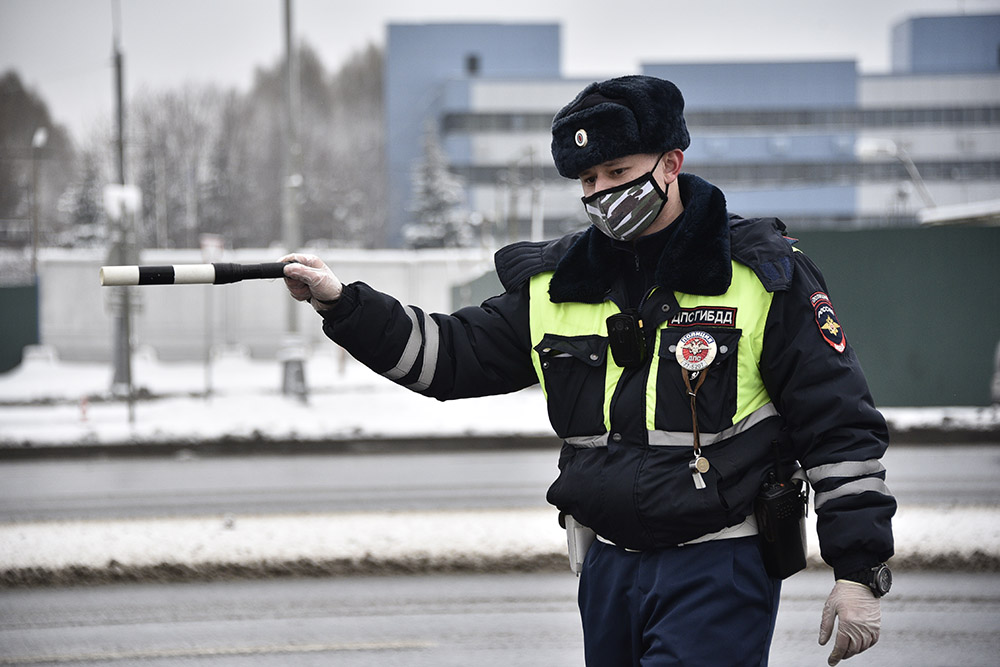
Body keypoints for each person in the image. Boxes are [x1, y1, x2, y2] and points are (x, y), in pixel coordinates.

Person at [282, 75, 896, 666]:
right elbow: (448, 356)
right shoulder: (558, 284)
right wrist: (343, 303)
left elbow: (837, 424)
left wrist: (859, 569)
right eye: (588, 178)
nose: (602, 191)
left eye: (619, 172)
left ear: (671, 164)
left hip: (718, 567)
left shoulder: (763, 274)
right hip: (608, 571)